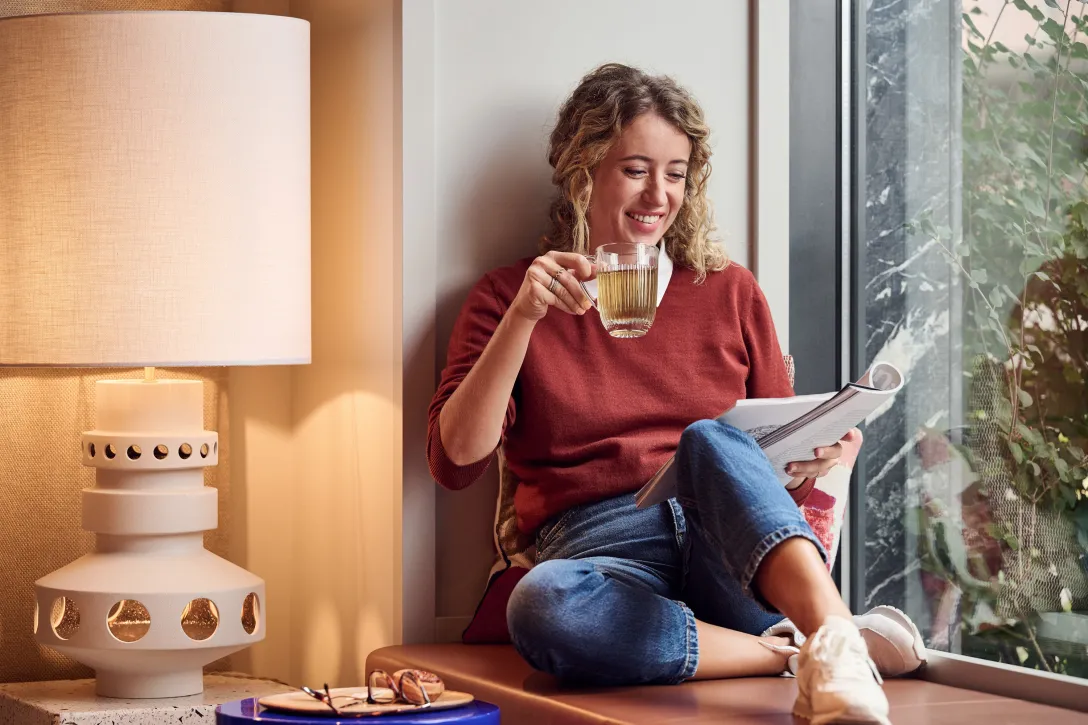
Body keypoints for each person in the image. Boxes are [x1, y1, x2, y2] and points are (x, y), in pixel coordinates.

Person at [427, 63, 922, 725]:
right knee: (541, 605)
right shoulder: (509, 297)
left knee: (709, 440)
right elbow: (456, 460)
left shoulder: (731, 290)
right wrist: (525, 317)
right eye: (636, 169)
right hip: (606, 555)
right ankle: (802, 650)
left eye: (676, 174)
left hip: (733, 549)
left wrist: (812, 459)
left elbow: (778, 476)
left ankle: (831, 639)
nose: (658, 194)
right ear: (582, 173)